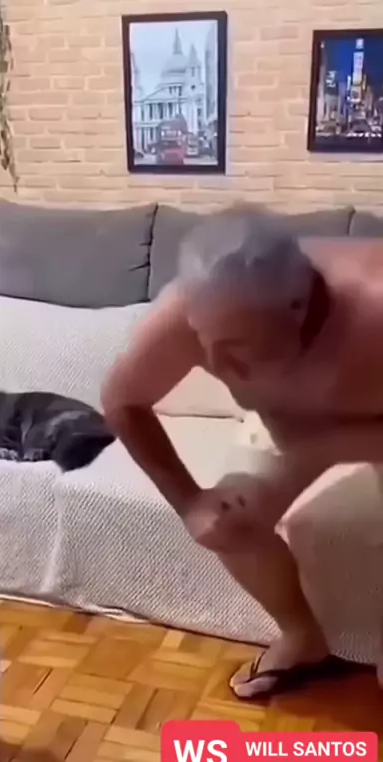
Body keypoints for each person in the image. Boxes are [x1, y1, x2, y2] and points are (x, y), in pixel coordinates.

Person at [101, 203, 383, 701]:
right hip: (283, 427)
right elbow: (122, 401)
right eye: (203, 339)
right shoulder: (184, 313)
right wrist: (189, 501)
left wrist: (336, 443)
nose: (215, 364)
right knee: (223, 523)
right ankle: (302, 638)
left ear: (296, 308)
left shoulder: (373, 306)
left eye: (236, 344)